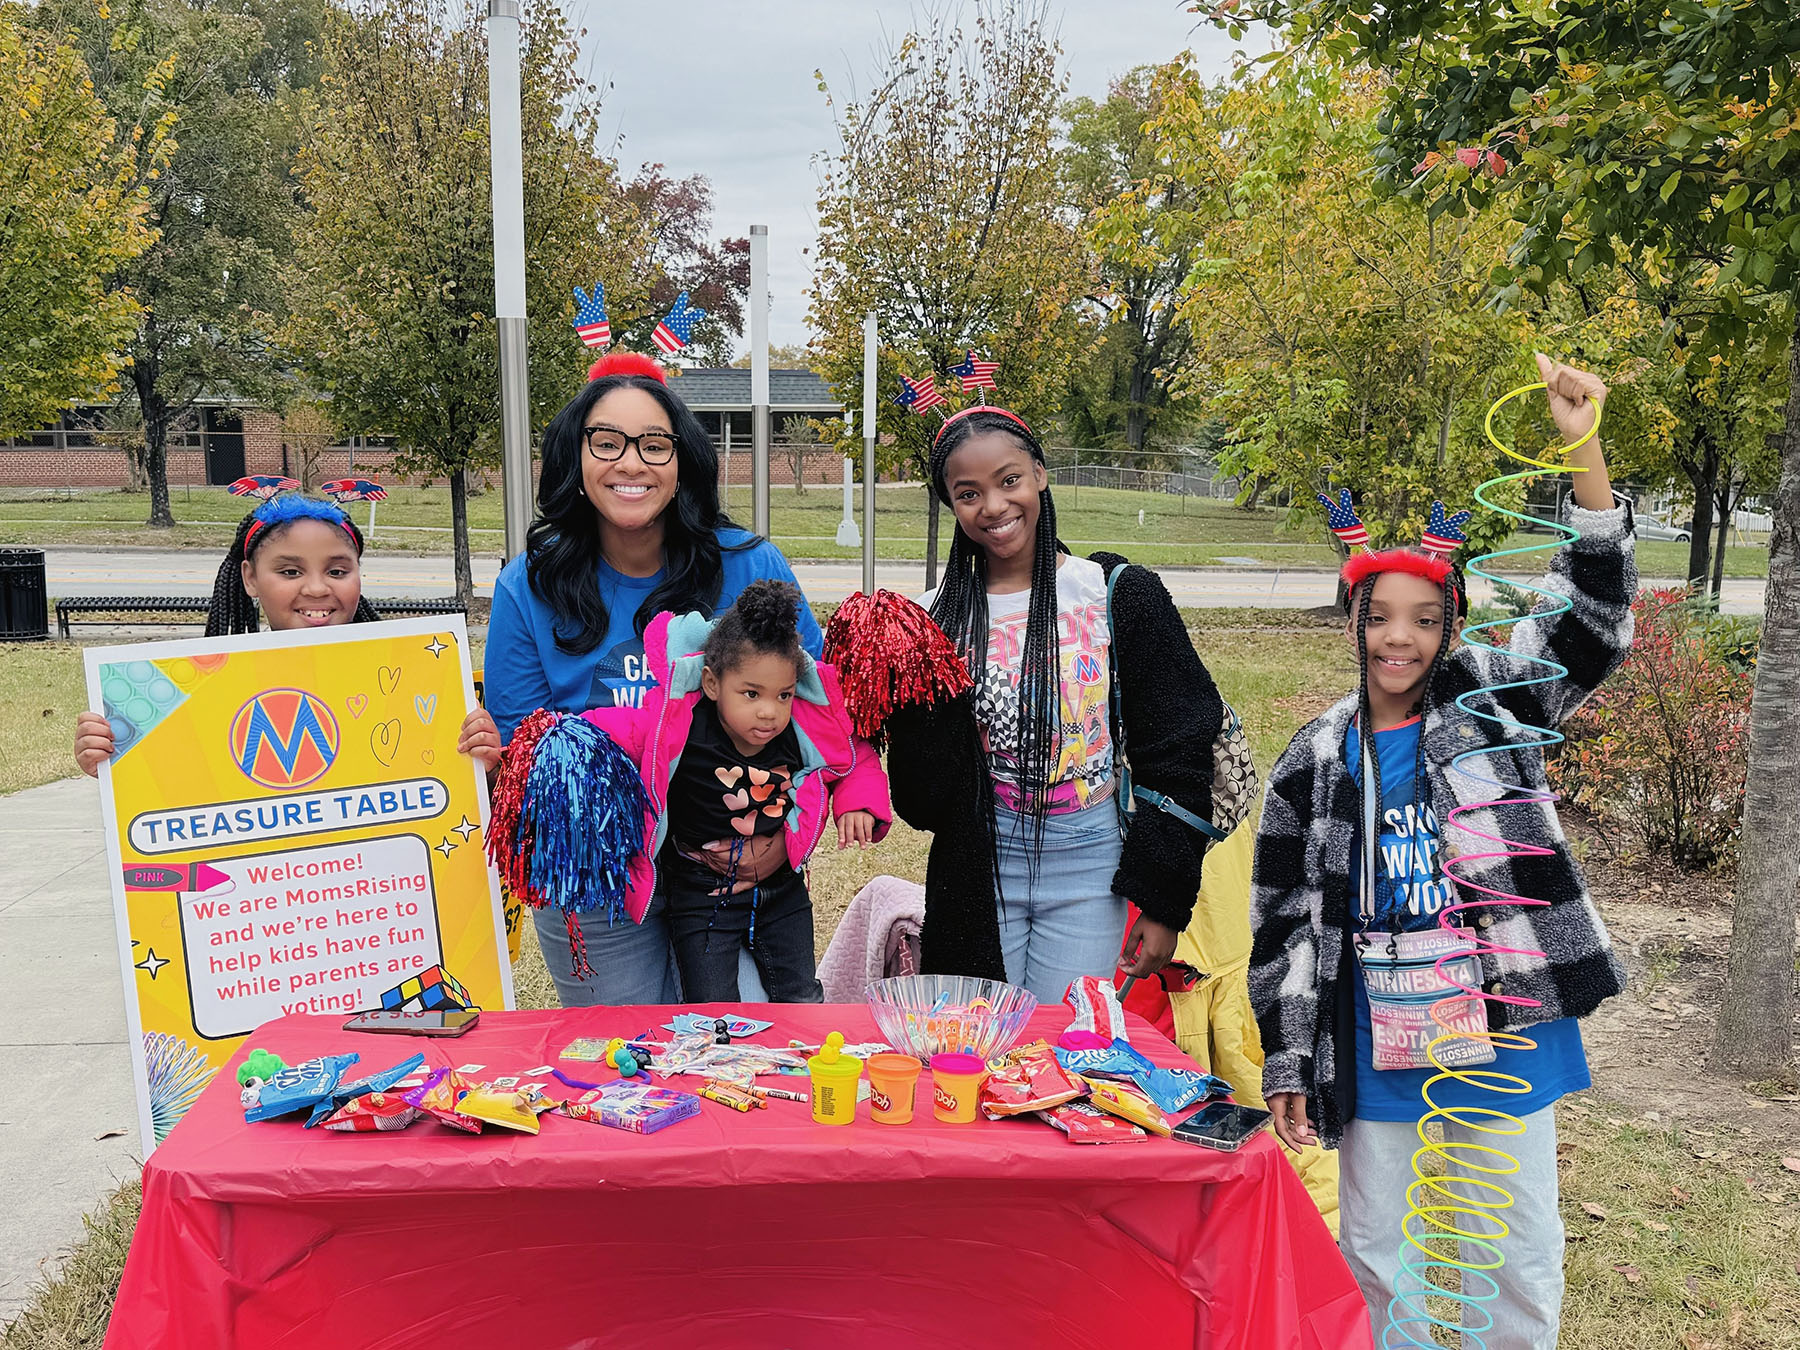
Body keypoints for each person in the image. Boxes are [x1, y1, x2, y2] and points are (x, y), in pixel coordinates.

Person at [1248, 356, 1633, 1348]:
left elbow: (1592, 626)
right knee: (1379, 1255)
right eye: (1378, 619)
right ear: (1352, 622)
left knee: (1514, 1257)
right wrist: (1291, 1056)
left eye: (1424, 621)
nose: (1398, 641)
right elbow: (1284, 925)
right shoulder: (1314, 759)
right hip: (1377, 1039)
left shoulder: (1493, 704)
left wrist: (1582, 448)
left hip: (1501, 1030)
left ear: (1451, 624)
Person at [468, 351, 822, 1006]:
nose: (630, 464)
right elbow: (524, 747)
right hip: (599, 880)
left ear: (682, 460)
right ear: (575, 456)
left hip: (732, 865)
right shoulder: (529, 584)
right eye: (607, 442)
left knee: (749, 1042)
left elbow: (817, 722)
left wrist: (785, 841)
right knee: (630, 1065)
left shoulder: (751, 566)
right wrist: (490, 761)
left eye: (654, 445)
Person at [893, 404, 1229, 1004]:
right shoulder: (930, 621)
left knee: (1060, 1055)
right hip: (978, 866)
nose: (993, 506)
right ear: (950, 504)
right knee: (973, 1051)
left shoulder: (1116, 594)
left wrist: (1162, 898)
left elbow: (1178, 747)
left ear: (1041, 475)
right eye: (968, 493)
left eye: (1009, 480)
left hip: (1090, 866)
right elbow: (922, 801)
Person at [572, 580, 889, 1001]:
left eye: (784, 695)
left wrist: (858, 803)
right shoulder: (675, 723)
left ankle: (806, 1064)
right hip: (701, 892)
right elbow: (606, 732)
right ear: (711, 683)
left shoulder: (800, 729)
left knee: (802, 996)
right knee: (712, 1004)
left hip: (783, 892)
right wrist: (547, 742)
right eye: (751, 694)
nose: (769, 711)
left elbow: (852, 757)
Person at [75, 495, 495, 775]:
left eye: (337, 571)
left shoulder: (417, 680)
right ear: (251, 578)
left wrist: (486, 763)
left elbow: (454, 793)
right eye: (290, 571)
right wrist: (113, 761)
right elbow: (176, 786)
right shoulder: (196, 689)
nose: (316, 588)